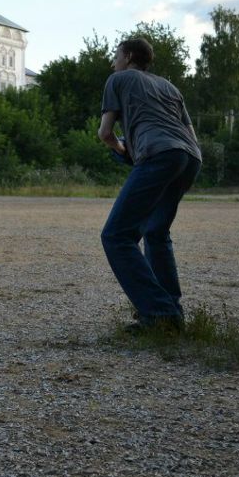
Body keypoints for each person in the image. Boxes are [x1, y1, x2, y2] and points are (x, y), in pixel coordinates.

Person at [97, 38, 202, 333]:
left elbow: (105, 133)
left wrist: (123, 150)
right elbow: (189, 133)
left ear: (128, 56)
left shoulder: (118, 79)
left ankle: (160, 314)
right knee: (155, 232)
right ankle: (170, 313)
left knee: (117, 236)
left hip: (159, 155)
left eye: (115, 55)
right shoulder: (169, 87)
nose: (112, 62)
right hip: (190, 157)